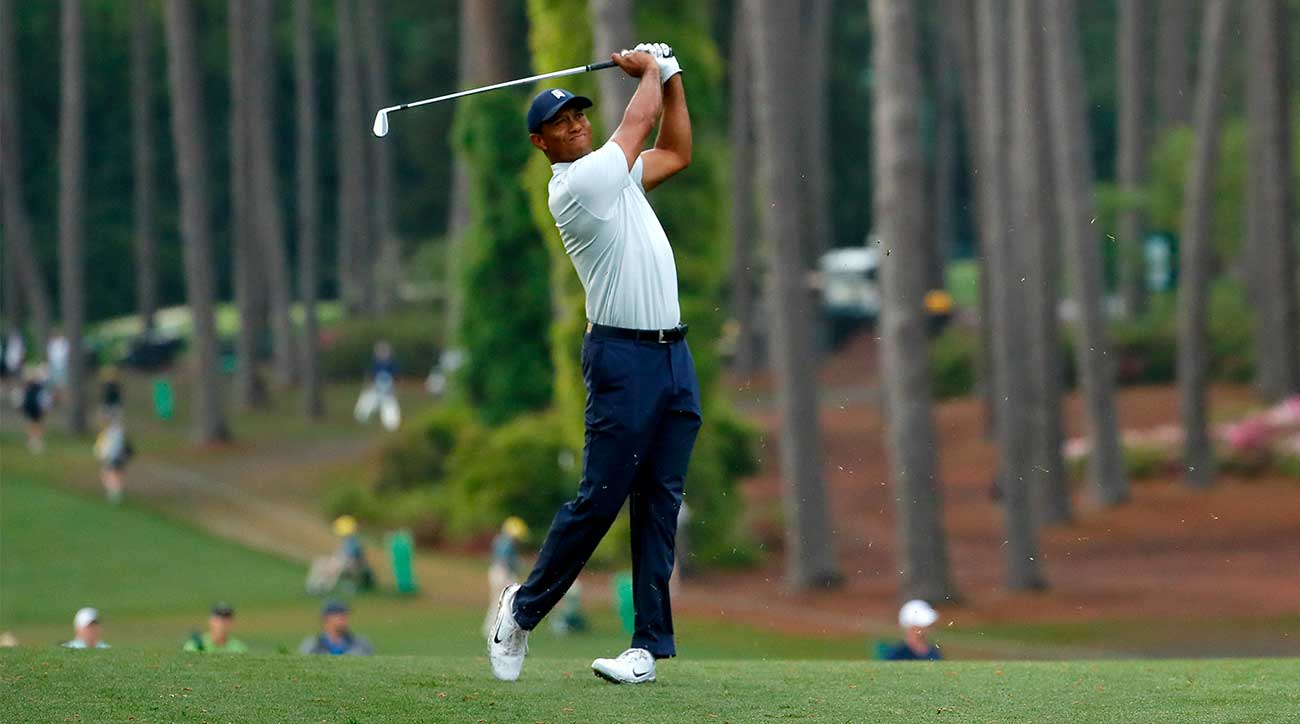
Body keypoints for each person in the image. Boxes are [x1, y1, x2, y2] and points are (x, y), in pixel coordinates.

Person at [488, 42, 697, 685]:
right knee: (600, 499)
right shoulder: (576, 187)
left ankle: (646, 648)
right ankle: (521, 613)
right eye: (561, 123)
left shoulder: (618, 175)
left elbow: (678, 149)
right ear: (540, 144)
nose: (577, 124)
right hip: (622, 359)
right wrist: (653, 70)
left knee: (660, 503)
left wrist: (674, 79)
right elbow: (636, 126)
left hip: (672, 357)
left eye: (579, 115)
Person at [483, 517, 529, 638]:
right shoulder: (506, 542)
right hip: (502, 573)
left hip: (496, 572)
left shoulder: (500, 540)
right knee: (504, 602)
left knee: (498, 602)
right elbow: (504, 560)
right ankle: (496, 629)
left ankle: (492, 628)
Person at [354, 340, 401, 431]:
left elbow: (397, 379)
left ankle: (391, 424)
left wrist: (395, 389)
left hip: (388, 392)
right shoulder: (374, 364)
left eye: (385, 351)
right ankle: (361, 417)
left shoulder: (393, 365)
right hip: (375, 390)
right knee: (366, 401)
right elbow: (369, 378)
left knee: (389, 406)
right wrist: (368, 386)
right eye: (380, 351)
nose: (382, 353)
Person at [299, 600, 373, 656]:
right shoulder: (312, 644)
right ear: (326, 619)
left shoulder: (361, 643)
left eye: (346, 615)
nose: (345, 618)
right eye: (340, 615)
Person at [94, 415, 133, 504]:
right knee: (113, 475)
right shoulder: (116, 433)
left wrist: (103, 456)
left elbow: (108, 447)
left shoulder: (112, 434)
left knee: (112, 475)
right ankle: (114, 494)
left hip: (113, 458)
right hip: (117, 458)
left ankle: (114, 495)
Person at [183, 603, 248, 653]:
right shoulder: (196, 644)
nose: (222, 624)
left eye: (226, 619)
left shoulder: (239, 648)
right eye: (218, 620)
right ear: (210, 621)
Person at [20, 365, 50, 453]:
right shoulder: (37, 387)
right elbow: (42, 398)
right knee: (36, 423)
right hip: (34, 407)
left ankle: (33, 440)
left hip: (31, 407)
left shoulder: (29, 387)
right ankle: (34, 441)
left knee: (34, 423)